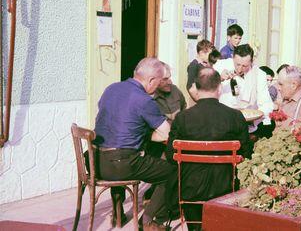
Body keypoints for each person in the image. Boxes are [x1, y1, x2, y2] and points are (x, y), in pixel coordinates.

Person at [165, 67, 251, 231]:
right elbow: (246, 154)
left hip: (191, 190)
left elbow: (171, 156)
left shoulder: (182, 118)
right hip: (227, 188)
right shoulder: (235, 117)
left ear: (196, 89)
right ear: (219, 88)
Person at [94, 57, 175, 230]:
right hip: (121, 165)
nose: (158, 87)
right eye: (159, 82)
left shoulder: (111, 89)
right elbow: (166, 133)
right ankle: (147, 221)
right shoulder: (144, 100)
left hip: (96, 162)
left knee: (125, 150)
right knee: (171, 172)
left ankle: (118, 213)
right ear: (151, 80)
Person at [213, 44, 274, 137]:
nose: (240, 69)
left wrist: (256, 120)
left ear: (251, 62)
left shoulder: (259, 74)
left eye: (245, 66)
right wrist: (218, 78)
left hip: (247, 126)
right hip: (221, 123)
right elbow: (204, 88)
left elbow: (266, 103)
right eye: (237, 64)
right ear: (232, 57)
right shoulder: (219, 66)